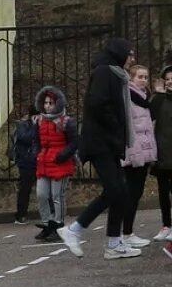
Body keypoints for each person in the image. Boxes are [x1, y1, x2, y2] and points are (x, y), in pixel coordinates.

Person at [58, 38, 137, 259]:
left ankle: (113, 242)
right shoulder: (104, 72)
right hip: (100, 142)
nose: (132, 59)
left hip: (109, 142)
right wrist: (115, 126)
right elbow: (97, 103)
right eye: (130, 54)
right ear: (120, 54)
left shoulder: (116, 74)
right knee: (115, 190)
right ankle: (74, 230)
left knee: (120, 192)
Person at [33, 87, 78, 243]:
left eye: (50, 103)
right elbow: (36, 141)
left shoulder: (66, 121)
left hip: (59, 162)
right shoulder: (39, 120)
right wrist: (37, 155)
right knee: (41, 194)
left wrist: (62, 156)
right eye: (45, 103)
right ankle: (47, 223)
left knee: (57, 196)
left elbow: (73, 143)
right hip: (44, 162)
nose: (47, 106)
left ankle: (58, 224)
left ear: (57, 104)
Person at [121, 64, 156, 249]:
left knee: (136, 192)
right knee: (132, 193)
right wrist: (133, 152)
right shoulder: (129, 97)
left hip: (143, 150)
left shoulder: (144, 98)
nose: (143, 80)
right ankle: (126, 233)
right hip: (134, 152)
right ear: (132, 78)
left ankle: (128, 231)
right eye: (139, 77)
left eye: (145, 77)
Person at [149, 65, 172, 243]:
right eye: (168, 79)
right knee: (163, 192)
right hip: (162, 152)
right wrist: (157, 95)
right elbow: (148, 116)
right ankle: (166, 225)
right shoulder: (159, 100)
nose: (170, 81)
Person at [8, 106, 39, 224]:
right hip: (27, 161)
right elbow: (24, 138)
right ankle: (21, 214)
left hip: (39, 160)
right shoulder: (23, 125)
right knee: (25, 188)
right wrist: (35, 127)